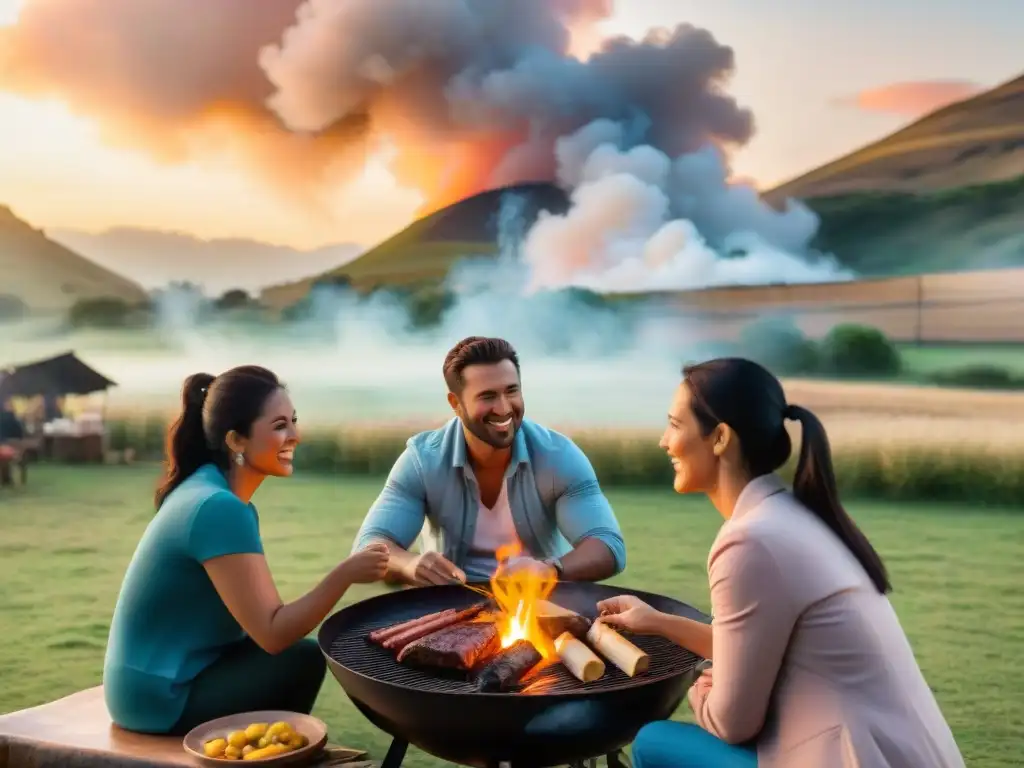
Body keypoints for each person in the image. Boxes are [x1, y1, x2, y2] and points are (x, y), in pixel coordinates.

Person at [598, 358, 965, 768]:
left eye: (675, 425)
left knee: (653, 742)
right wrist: (660, 623)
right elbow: (757, 646)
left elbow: (732, 722)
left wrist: (703, 685)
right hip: (908, 754)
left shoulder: (749, 542)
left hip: (851, 758)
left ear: (719, 437)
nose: (664, 441)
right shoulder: (794, 516)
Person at [103, 366, 389, 735]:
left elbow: (259, 626)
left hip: (159, 682)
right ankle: (271, 757)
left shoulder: (212, 494)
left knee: (294, 656)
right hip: (159, 698)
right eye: (279, 425)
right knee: (299, 659)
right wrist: (346, 574)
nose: (295, 436)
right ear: (236, 440)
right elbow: (273, 634)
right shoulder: (218, 507)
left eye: (294, 421)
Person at [352, 336, 626, 585]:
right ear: (455, 403)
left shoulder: (560, 457)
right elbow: (368, 546)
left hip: (537, 611)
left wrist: (549, 570)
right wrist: (409, 564)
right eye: (487, 396)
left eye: (511, 391)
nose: (504, 407)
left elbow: (608, 545)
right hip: (447, 609)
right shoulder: (422, 461)